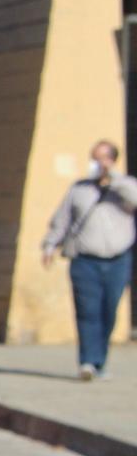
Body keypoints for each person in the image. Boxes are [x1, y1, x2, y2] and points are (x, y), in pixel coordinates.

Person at [41, 139, 137, 381]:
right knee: (87, 311)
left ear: (113, 160)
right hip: (85, 261)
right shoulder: (79, 188)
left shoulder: (126, 186)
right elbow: (62, 219)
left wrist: (112, 180)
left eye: (103, 158)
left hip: (118, 260)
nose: (98, 164)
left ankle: (100, 361)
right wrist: (50, 244)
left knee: (109, 311)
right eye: (95, 159)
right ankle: (87, 362)